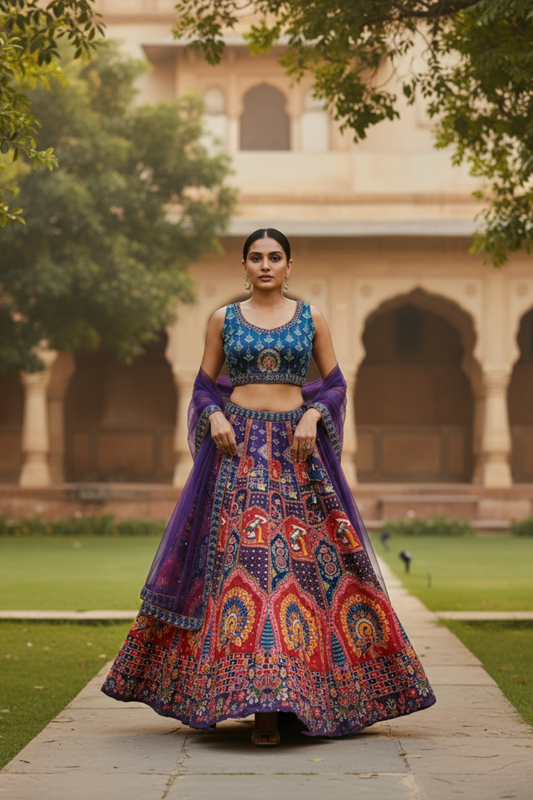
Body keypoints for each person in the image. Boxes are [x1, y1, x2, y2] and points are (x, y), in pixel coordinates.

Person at [102, 228, 436, 746]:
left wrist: (314, 415)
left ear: (289, 264)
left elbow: (336, 382)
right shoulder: (224, 319)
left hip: (297, 457)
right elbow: (202, 385)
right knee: (246, 570)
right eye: (255, 257)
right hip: (237, 455)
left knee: (305, 574)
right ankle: (257, 703)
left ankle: (298, 697)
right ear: (244, 266)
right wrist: (212, 414)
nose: (264, 265)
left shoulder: (310, 317)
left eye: (274, 257)